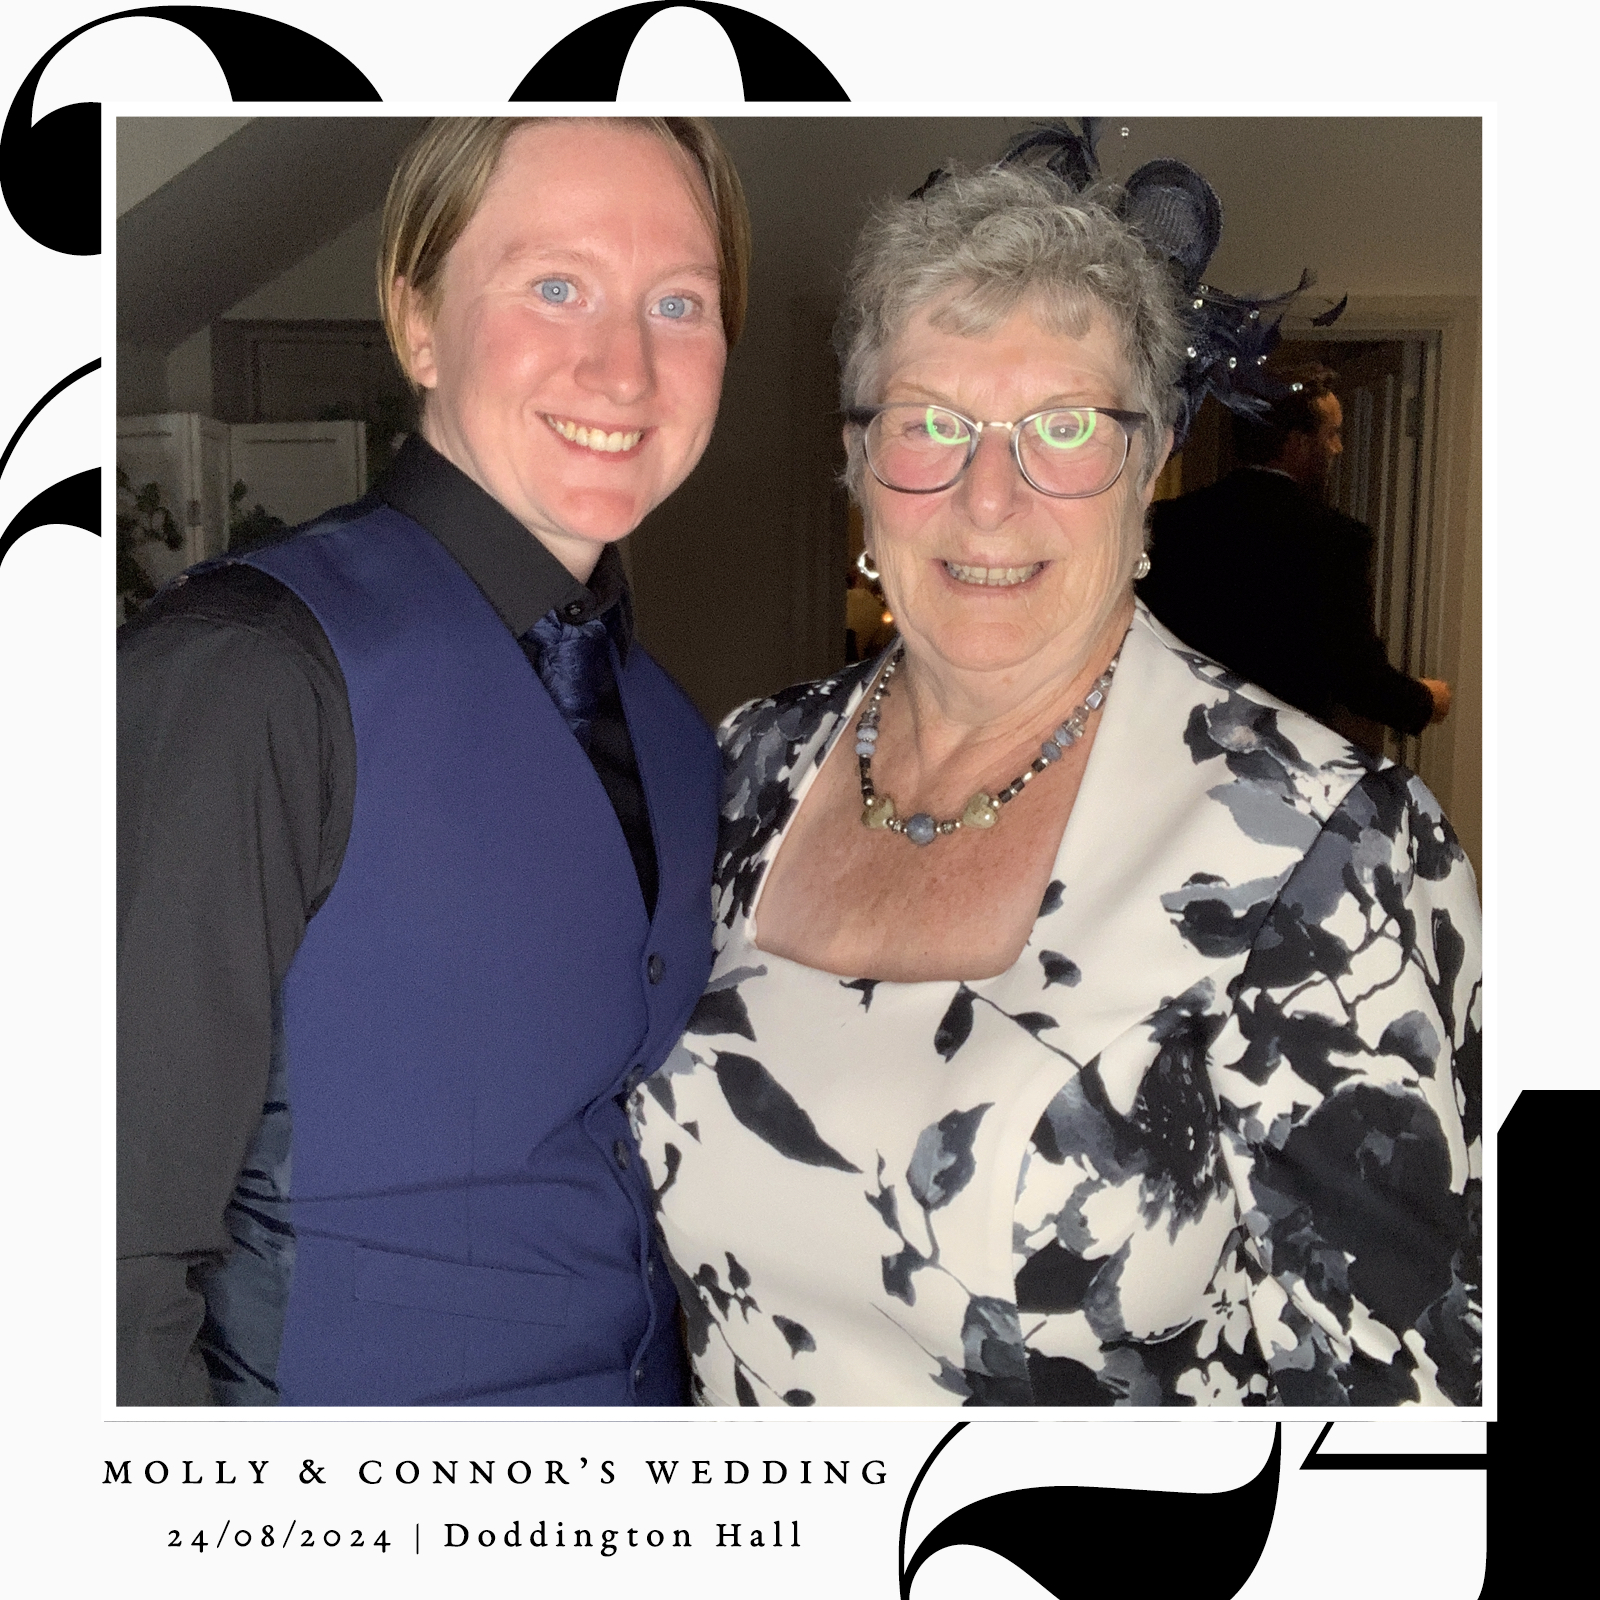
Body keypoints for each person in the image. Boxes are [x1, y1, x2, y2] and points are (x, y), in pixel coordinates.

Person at [629, 135, 1480, 1406]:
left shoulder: (1331, 850)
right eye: (930, 422)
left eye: (1065, 427)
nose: (989, 497)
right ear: (856, 459)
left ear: (1151, 461)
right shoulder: (748, 765)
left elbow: (1407, 1424)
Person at [117, 116, 749, 1405]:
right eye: (556, 285)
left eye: (678, 302)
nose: (624, 368)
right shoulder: (247, 675)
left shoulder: (682, 738)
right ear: (417, 322)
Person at [1138, 365, 1451, 738]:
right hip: (1280, 745)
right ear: (1298, 443)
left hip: (1183, 733)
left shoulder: (1169, 523)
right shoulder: (1334, 539)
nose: (1337, 449)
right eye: (1331, 434)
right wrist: (1425, 700)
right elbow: (1355, 674)